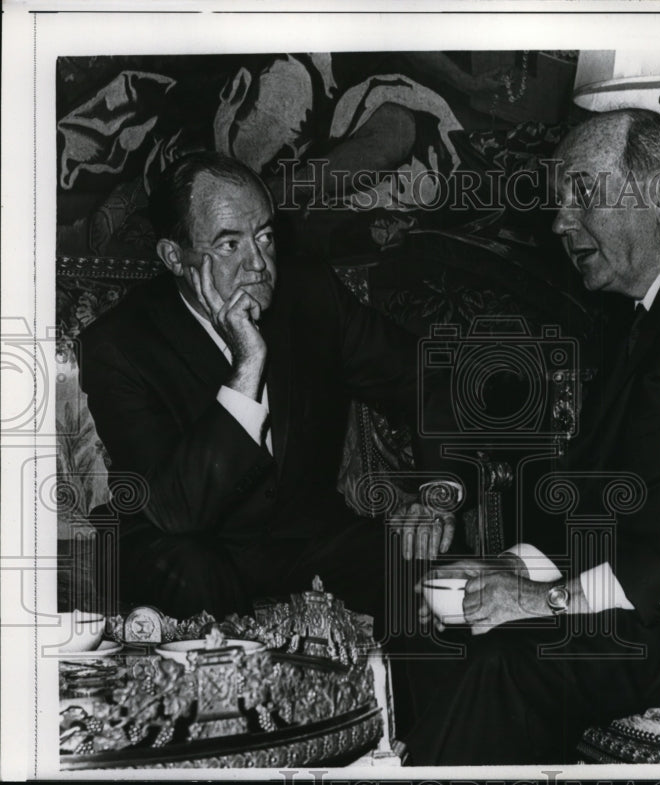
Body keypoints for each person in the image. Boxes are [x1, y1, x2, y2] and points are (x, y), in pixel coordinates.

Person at [403, 109, 660, 764]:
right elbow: (601, 496)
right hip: (651, 596)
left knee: (518, 661)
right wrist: (511, 568)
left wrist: (552, 599)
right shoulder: (644, 313)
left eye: (581, 193)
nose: (559, 221)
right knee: (439, 637)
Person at [79, 151, 456, 622]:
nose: (258, 263)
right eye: (230, 244)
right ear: (175, 257)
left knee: (415, 582)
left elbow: (425, 377)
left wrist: (439, 493)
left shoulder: (312, 295)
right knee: (197, 577)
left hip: (306, 535)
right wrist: (248, 363)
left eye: (264, 237)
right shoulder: (118, 344)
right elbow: (178, 510)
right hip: (181, 543)